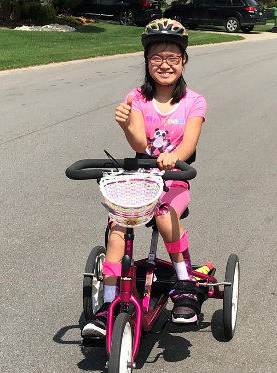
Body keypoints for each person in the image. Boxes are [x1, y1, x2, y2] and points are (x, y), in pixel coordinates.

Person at [81, 18, 207, 338]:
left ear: (183, 60)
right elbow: (138, 144)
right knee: (117, 228)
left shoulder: (194, 101)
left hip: (174, 179)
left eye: (172, 58)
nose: (164, 65)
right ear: (147, 62)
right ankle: (107, 304)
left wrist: (174, 157)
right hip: (139, 180)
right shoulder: (136, 97)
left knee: (164, 215)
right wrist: (126, 125)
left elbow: (190, 142)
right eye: (157, 58)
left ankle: (185, 284)